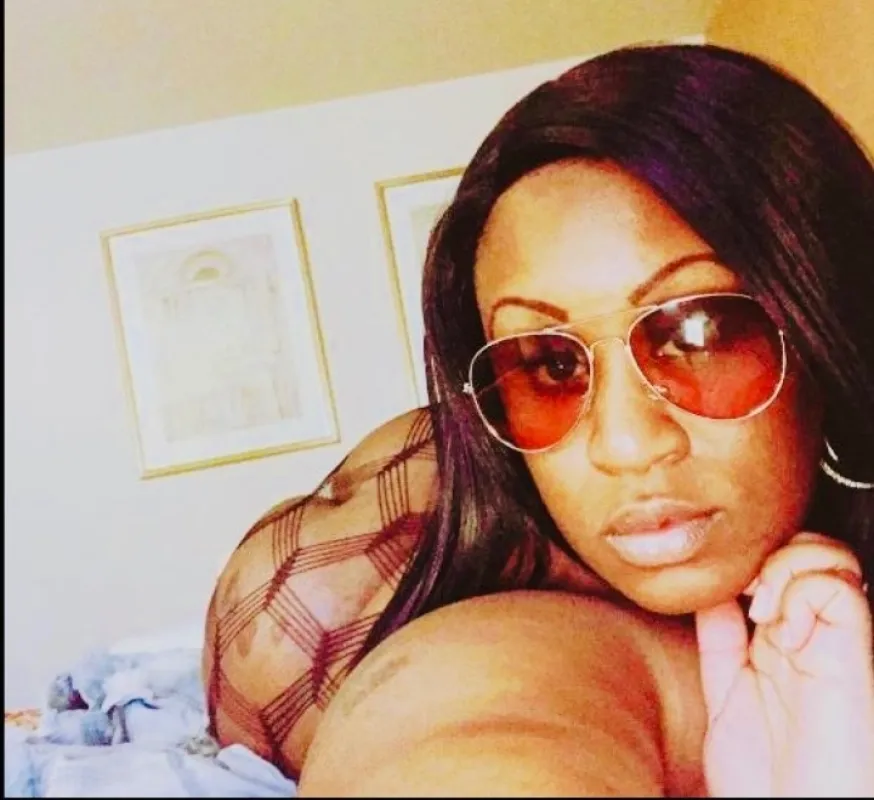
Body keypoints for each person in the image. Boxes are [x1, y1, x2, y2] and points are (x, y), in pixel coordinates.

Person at [202, 42, 874, 796]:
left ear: (827, 321)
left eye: (700, 333)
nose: (625, 444)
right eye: (550, 365)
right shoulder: (499, 647)